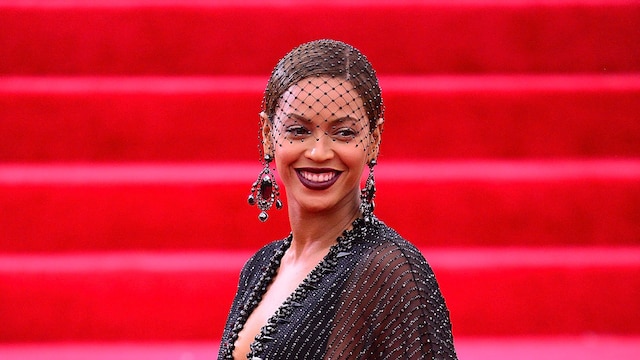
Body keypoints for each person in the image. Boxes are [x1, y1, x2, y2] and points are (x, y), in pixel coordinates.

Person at [218, 39, 457, 360]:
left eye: (343, 133)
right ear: (267, 135)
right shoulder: (259, 267)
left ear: (373, 141)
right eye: (298, 131)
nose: (319, 152)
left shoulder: (392, 274)